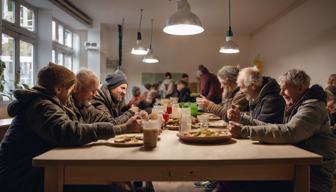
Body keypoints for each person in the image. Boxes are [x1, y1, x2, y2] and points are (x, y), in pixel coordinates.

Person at [0, 63, 142, 192]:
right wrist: (123, 128)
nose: (72, 92)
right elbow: (70, 132)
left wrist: (124, 125)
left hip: (40, 169)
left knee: (114, 180)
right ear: (58, 89)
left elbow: (91, 123)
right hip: (21, 176)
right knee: (112, 187)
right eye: (71, 88)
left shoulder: (57, 102)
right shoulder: (41, 106)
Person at [227, 69, 336, 192]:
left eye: (284, 89)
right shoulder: (297, 104)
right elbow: (271, 126)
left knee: (243, 181)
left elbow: (289, 132)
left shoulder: (312, 107)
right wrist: (241, 119)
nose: (281, 93)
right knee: (238, 180)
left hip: (313, 175)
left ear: (300, 88)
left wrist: (243, 131)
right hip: (296, 165)